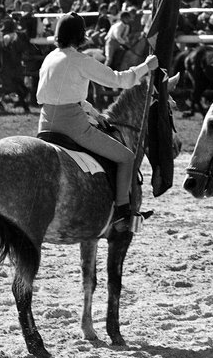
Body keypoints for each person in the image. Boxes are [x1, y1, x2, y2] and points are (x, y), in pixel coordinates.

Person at [36, 12, 158, 233]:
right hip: (72, 125)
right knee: (126, 157)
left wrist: (93, 112)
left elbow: (60, 94)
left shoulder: (49, 57)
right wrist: (146, 67)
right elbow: (121, 80)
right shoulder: (82, 61)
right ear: (80, 36)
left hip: (45, 123)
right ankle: (122, 213)